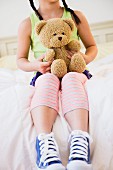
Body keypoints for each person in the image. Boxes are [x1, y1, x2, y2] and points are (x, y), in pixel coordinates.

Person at [17, 0, 98, 170]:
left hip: (74, 70)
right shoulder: (28, 23)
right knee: (46, 81)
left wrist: (86, 58)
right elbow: (20, 60)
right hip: (46, 71)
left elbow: (91, 46)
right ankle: (44, 142)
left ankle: (80, 141)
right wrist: (35, 66)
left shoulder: (75, 16)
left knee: (71, 79)